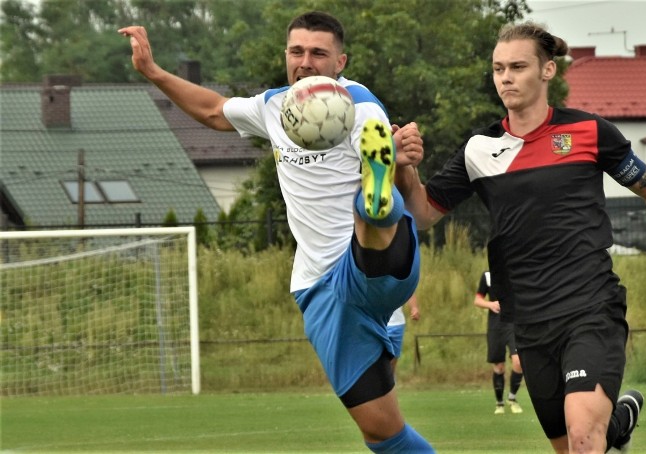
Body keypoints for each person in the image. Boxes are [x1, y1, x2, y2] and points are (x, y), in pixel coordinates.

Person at [120, 12, 435, 452]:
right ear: (286, 56)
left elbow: (414, 203)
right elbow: (212, 110)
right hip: (326, 289)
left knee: (371, 206)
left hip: (367, 265)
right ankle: (375, 204)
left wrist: (404, 168)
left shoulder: (361, 105)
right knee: (382, 431)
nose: (305, 61)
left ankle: (373, 198)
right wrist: (152, 71)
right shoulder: (273, 106)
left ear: (340, 61)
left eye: (318, 53)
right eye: (297, 51)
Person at [396, 21, 646, 453]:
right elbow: (421, 213)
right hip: (529, 320)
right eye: (498, 68)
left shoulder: (590, 133)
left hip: (591, 307)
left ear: (547, 70)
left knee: (582, 438)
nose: (506, 77)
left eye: (518, 66)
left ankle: (607, 427)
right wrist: (406, 166)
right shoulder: (479, 150)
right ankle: (619, 423)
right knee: (572, 444)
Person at [474, 271, 524, 415]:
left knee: (518, 361)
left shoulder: (515, 271)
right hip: (495, 325)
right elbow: (477, 300)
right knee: (499, 366)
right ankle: (499, 403)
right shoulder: (488, 276)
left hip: (513, 323)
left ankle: (512, 399)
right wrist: (490, 304)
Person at [388, 295, 421, 373]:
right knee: (377, 358)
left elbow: (409, 291)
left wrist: (414, 308)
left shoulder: (400, 282)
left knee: (393, 360)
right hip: (378, 323)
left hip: (397, 324)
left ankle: (390, 383)